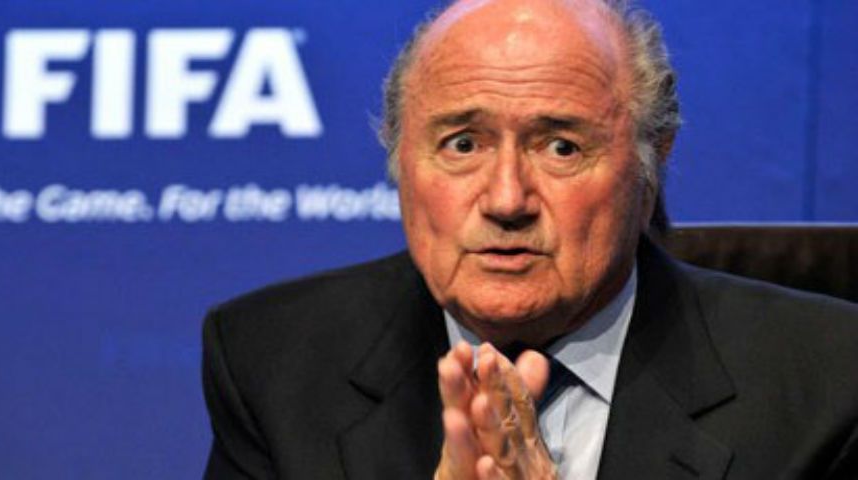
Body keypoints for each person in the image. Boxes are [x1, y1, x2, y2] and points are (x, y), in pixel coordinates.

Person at [201, 0, 858, 478]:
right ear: (399, 158)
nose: (507, 199)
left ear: (651, 163)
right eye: (463, 144)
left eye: (561, 146)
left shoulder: (830, 385)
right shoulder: (274, 361)